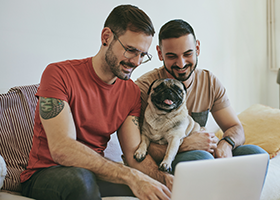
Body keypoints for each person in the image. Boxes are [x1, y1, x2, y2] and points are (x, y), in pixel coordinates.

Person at [20, 5, 172, 200]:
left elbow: (134, 154)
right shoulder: (58, 74)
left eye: (143, 55)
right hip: (46, 173)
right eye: (131, 50)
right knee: (80, 180)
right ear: (106, 37)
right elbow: (62, 148)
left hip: (95, 173)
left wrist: (164, 180)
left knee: (151, 191)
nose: (136, 62)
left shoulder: (131, 92)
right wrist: (128, 175)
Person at [135, 19, 269, 173]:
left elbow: (235, 127)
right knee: (201, 159)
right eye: (172, 56)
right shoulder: (146, 88)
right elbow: (133, 146)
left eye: (188, 54)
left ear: (197, 48)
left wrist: (225, 144)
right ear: (160, 53)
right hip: (175, 157)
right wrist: (185, 145)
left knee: (257, 156)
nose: (181, 63)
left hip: (207, 151)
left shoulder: (209, 82)